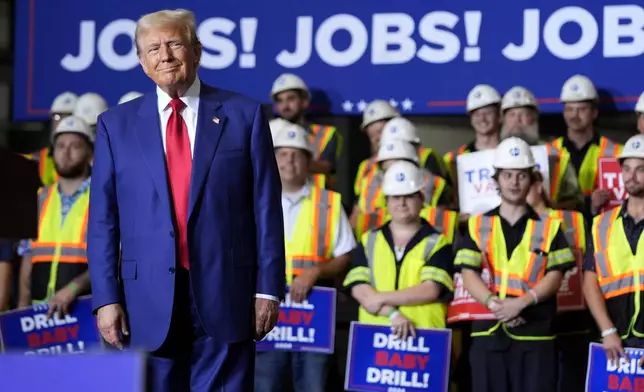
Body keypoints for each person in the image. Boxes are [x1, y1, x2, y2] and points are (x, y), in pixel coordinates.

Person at [87, 9, 285, 392]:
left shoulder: (244, 115)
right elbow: (102, 221)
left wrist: (268, 288)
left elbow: (266, 208)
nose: (166, 55)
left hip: (229, 293)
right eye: (154, 48)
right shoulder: (115, 125)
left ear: (197, 50)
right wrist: (106, 298)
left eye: (175, 44)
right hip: (145, 301)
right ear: (142, 62)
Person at [454, 137, 575, 392]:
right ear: (495, 180)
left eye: (521, 175)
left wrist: (521, 303)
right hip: (488, 331)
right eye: (507, 175)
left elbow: (555, 275)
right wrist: (495, 305)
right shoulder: (477, 225)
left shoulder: (551, 227)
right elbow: (468, 273)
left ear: (532, 180)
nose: (514, 182)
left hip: (536, 332)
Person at [255, 124, 355, 392]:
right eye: (283, 153)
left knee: (312, 385)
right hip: (267, 314)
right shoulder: (255, 200)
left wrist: (315, 271)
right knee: (265, 384)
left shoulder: (329, 202)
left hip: (312, 317)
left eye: (297, 154)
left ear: (309, 162)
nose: (289, 160)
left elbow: (345, 255)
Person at [344, 160, 454, 338]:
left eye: (409, 196)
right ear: (386, 201)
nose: (402, 203)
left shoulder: (438, 243)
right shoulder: (368, 240)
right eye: (395, 197)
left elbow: (430, 290)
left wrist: (380, 298)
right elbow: (358, 287)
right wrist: (393, 314)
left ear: (421, 199)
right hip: (376, 337)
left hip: (423, 338)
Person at [17, 116, 94, 317]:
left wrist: (72, 290)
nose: (66, 153)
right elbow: (28, 257)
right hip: (40, 314)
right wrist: (22, 311)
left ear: (90, 153)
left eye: (75, 146)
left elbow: (114, 261)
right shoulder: (39, 198)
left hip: (84, 312)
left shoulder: (103, 198)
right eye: (60, 146)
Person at [526, 170, 590, 392]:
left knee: (571, 380)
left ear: (538, 186)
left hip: (571, 315)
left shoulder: (572, 219)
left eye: (525, 180)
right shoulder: (509, 225)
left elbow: (584, 262)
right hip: (534, 316)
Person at [583, 134, 644, 365]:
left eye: (640, 169)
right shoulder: (602, 224)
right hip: (614, 340)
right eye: (627, 169)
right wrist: (607, 331)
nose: (632, 176)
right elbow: (590, 282)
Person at [500, 86, 584, 211]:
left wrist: (552, 206)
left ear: (534, 119)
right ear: (503, 120)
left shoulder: (555, 154)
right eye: (512, 115)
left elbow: (577, 201)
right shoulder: (491, 154)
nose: (517, 120)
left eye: (524, 114)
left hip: (544, 226)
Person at [550, 75, 623, 215]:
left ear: (594, 113)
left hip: (600, 230)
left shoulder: (617, 152)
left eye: (581, 109)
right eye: (569, 109)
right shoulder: (548, 151)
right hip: (558, 230)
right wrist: (588, 202)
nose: (574, 115)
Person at [270, 73, 341, 189]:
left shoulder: (325, 133)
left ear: (304, 102)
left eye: (291, 98)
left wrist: (284, 161)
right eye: (280, 101)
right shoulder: (268, 131)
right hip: (279, 199)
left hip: (315, 201)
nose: (285, 105)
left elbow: (327, 167)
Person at [23, 92, 78, 186]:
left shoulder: (92, 162)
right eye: (57, 116)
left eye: (69, 116)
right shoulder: (36, 159)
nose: (63, 121)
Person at [353, 100, 400, 201]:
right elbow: (358, 207)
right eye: (372, 135)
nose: (377, 139)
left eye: (380, 132)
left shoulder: (424, 157)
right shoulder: (365, 167)